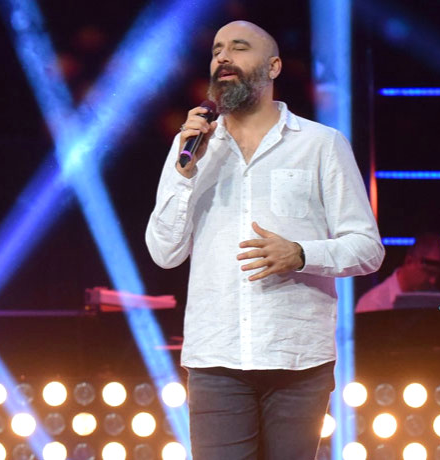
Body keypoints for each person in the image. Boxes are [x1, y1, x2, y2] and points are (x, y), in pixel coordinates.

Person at [145, 20, 383, 460]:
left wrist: (300, 254)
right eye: (216, 50)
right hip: (216, 359)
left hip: (297, 359)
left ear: (273, 66)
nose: (223, 57)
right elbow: (164, 252)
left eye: (238, 47)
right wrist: (183, 172)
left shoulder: (321, 144)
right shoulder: (192, 147)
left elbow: (367, 248)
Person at [355, 233, 440, 313]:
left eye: (437, 275)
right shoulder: (372, 304)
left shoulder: (435, 301)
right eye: (429, 273)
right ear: (409, 261)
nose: (433, 281)